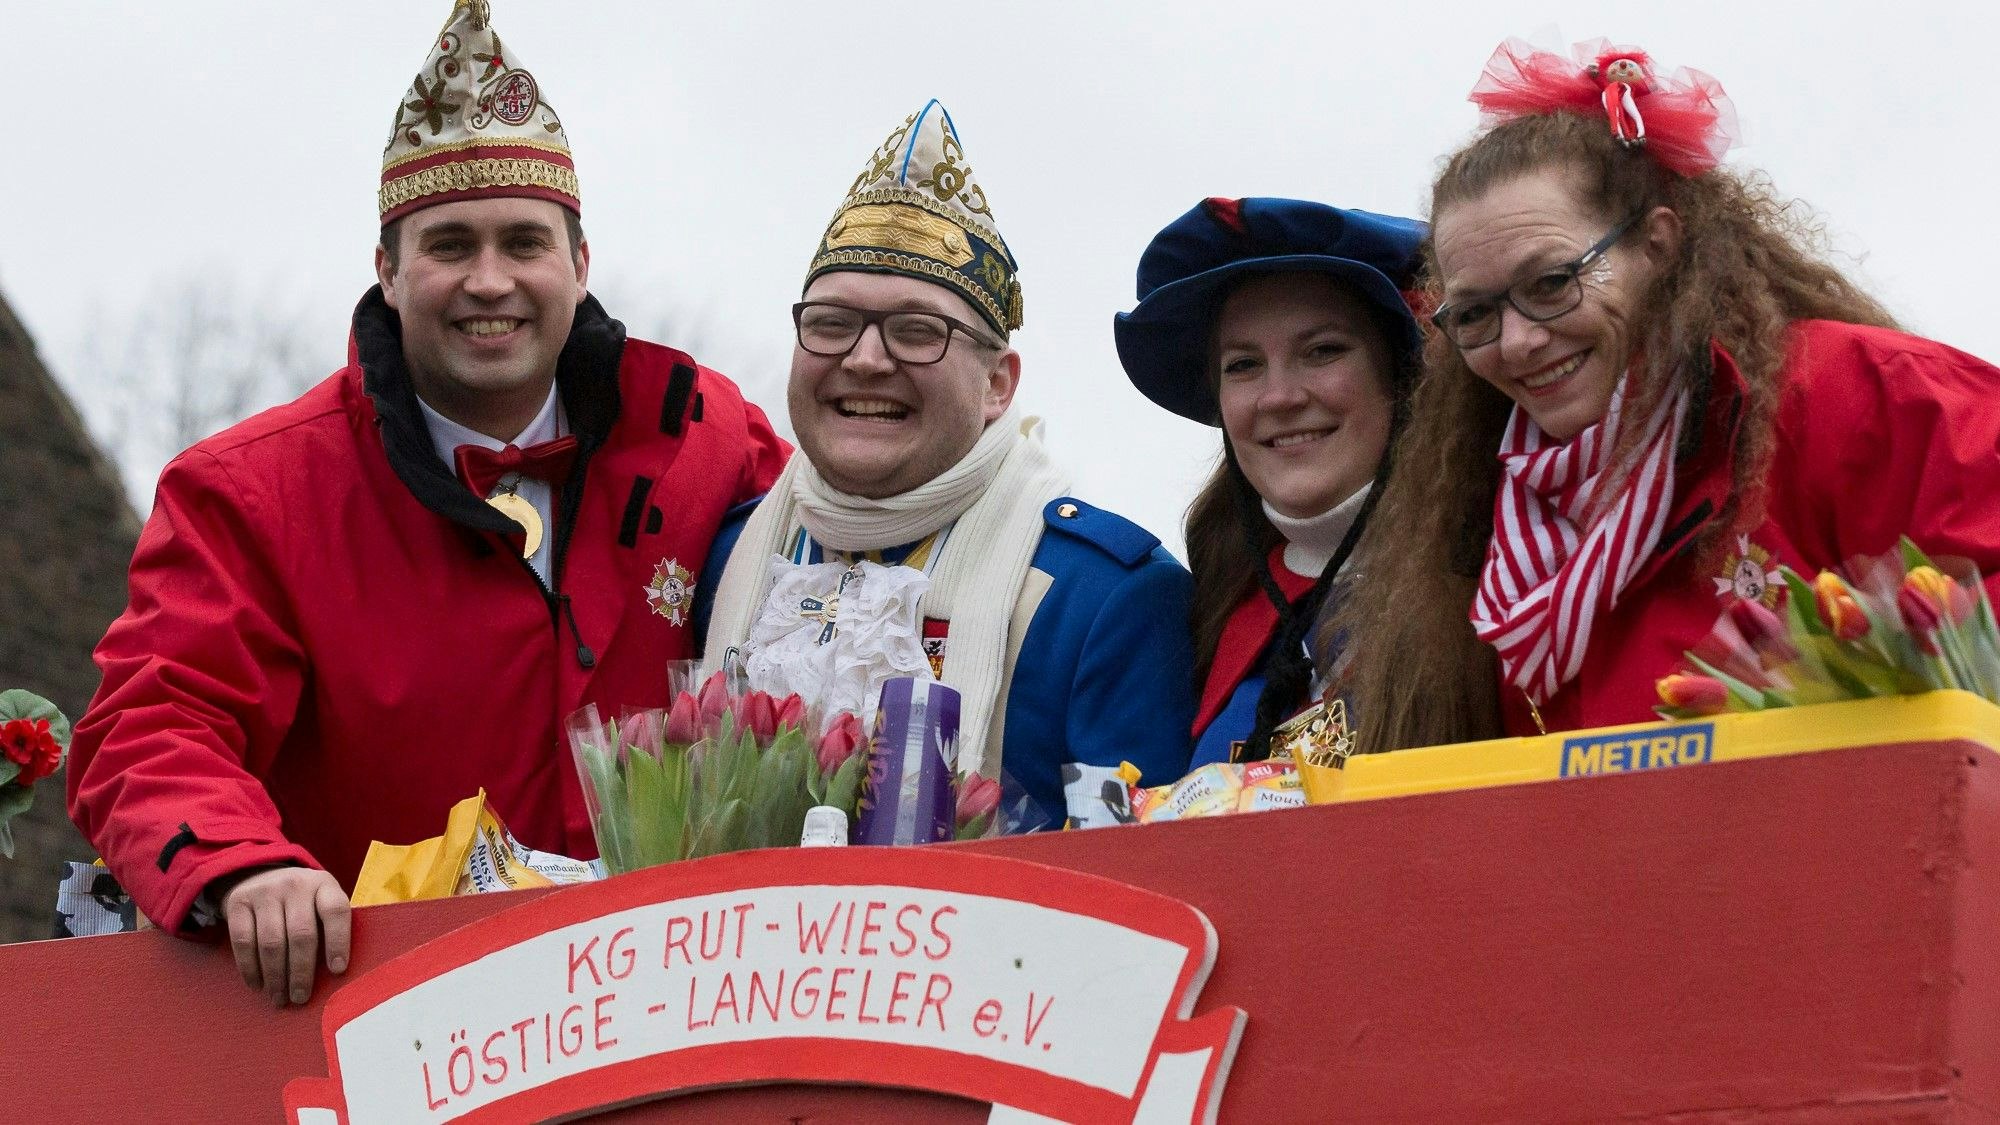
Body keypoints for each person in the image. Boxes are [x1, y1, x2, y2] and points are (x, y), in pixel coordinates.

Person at [66, 0, 787, 1006]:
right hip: (385, 1029)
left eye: (523, 244)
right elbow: (151, 723)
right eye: (449, 245)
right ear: (388, 272)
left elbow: (853, 589)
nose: (489, 281)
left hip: (675, 1009)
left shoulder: (709, 434)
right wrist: (241, 864)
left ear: (578, 267)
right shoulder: (251, 492)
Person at [1334, 37, 2000, 753]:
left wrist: (1852, 692)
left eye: (1552, 284)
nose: (1518, 340)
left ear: (1657, 245)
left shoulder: (1856, 391)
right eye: (1474, 314)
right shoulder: (1470, 516)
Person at [698, 99, 1195, 830]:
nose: (865, 360)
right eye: (831, 323)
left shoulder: (1107, 599)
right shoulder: (726, 557)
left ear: (999, 384)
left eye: (916, 331)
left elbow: (1143, 895)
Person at [1115, 198, 1424, 765]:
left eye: (1323, 351)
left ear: (1401, 377)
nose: (1280, 397)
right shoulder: (1209, 609)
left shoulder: (1493, 587)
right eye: (1243, 365)